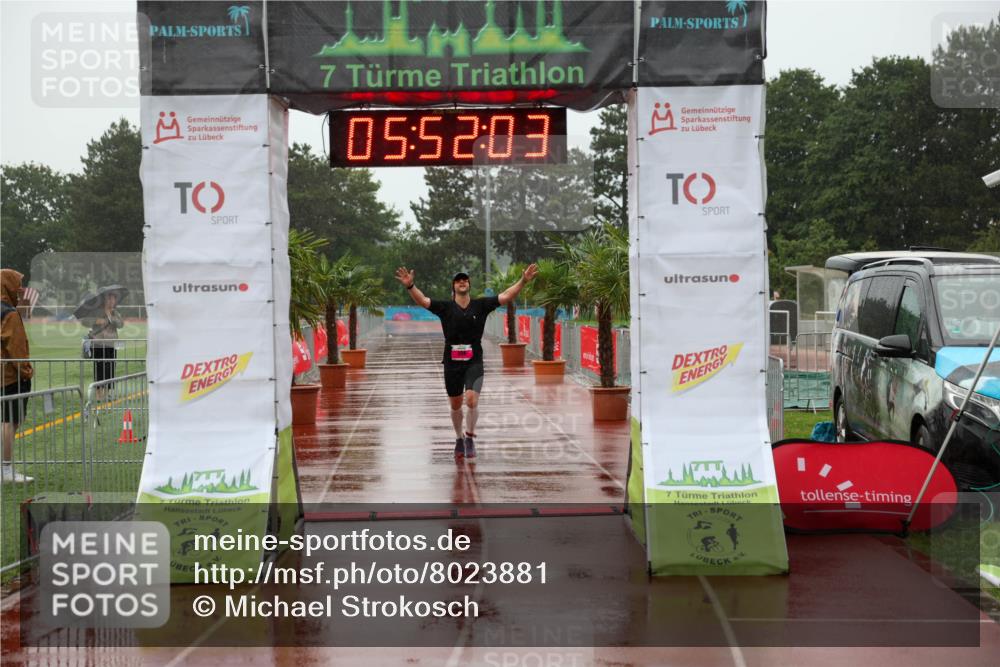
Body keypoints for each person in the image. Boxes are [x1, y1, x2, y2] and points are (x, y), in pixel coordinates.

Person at [395, 264, 538, 459]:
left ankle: (470, 437)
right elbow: (423, 300)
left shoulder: (481, 305)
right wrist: (410, 286)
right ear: (453, 286)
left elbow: (506, 296)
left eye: (465, 280)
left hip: (474, 360)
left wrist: (523, 281)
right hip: (452, 362)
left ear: (469, 284)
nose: (462, 282)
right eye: (458, 280)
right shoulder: (445, 308)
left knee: (471, 399)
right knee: (455, 405)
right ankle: (459, 438)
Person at [1, 269, 34, 483]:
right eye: (17, 284)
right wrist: (26, 371)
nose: (20, 288)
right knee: (9, 421)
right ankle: (5, 469)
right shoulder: (9, 314)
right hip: (10, 376)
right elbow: (16, 348)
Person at [87, 292, 124, 400]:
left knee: (110, 368)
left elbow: (121, 324)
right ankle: (99, 394)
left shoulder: (115, 312)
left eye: (113, 299)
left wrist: (111, 317)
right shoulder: (97, 312)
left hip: (111, 344)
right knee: (99, 368)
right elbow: (86, 321)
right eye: (109, 299)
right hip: (98, 344)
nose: (112, 301)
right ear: (104, 300)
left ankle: (107, 392)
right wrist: (96, 320)